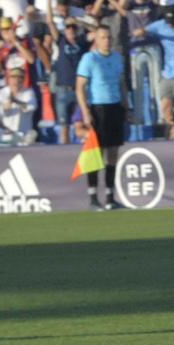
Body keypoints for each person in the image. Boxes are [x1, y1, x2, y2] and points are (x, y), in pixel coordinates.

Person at [76, 23, 128, 208]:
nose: (107, 41)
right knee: (95, 153)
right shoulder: (89, 59)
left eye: (109, 38)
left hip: (115, 108)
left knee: (113, 153)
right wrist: (85, 111)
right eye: (103, 38)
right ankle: (92, 197)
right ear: (96, 40)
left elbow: (121, 84)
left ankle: (110, 196)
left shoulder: (116, 58)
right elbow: (80, 86)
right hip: (98, 108)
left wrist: (126, 107)